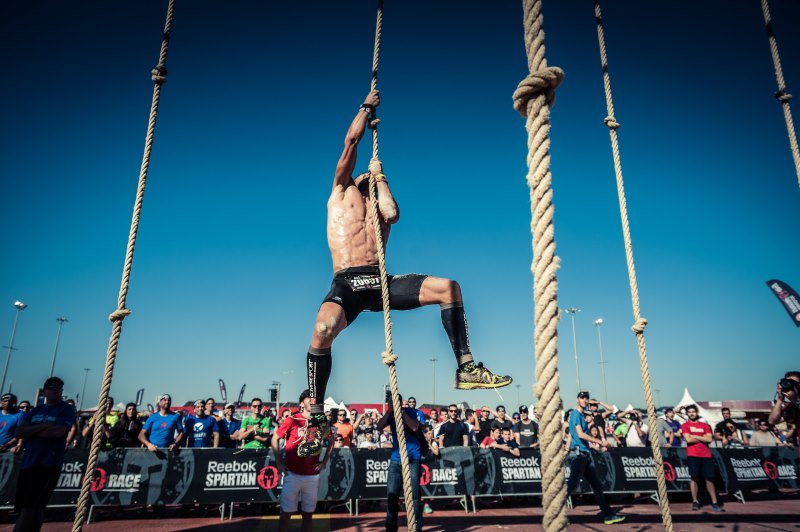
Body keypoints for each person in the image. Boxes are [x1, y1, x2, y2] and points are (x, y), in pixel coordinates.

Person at [298, 90, 512, 457]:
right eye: (363, 172)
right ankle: (316, 416)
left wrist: (381, 179)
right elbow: (351, 140)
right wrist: (366, 108)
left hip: (378, 279)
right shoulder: (339, 189)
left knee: (449, 288)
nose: (365, 172)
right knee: (322, 330)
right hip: (347, 281)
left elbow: (393, 213)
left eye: (370, 173)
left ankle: (466, 367)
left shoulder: (378, 211)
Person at [12, 377, 76, 532]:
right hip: (29, 463)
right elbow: (19, 432)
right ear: (45, 390)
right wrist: (43, 427)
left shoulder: (65, 409)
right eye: (52, 387)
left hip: (48, 463)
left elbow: (58, 432)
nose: (56, 390)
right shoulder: (35, 411)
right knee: (28, 507)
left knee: (33, 507)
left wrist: (32, 431)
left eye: (59, 388)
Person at [272, 390, 334, 532]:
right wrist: (279, 463)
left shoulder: (320, 422)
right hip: (292, 474)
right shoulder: (292, 420)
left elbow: (331, 441)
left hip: (312, 476)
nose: (312, 401)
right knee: (286, 514)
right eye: (308, 398)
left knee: (308, 515)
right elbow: (274, 438)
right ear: (301, 403)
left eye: (313, 398)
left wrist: (324, 462)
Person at [566, 391, 626, 525]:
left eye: (586, 398)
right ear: (577, 400)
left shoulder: (582, 416)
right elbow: (580, 435)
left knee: (596, 487)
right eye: (582, 398)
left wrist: (589, 423)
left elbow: (577, 434)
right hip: (579, 455)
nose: (585, 400)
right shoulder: (575, 414)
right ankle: (553, 512)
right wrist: (600, 442)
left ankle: (608, 515)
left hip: (585, 455)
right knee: (571, 486)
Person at [377, 396, 423, 532]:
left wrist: (401, 411)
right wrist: (389, 411)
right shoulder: (390, 415)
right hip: (396, 459)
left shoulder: (411, 411)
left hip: (412, 458)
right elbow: (379, 427)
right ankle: (390, 528)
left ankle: (417, 527)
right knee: (392, 495)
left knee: (414, 496)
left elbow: (415, 427)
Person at [681, 404, 724, 512]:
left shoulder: (705, 426)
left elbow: (709, 439)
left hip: (706, 455)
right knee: (694, 478)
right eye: (689, 412)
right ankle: (695, 501)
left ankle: (714, 502)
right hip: (692, 455)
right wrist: (702, 438)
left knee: (709, 479)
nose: (691, 413)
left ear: (697, 413)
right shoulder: (685, 425)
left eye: (693, 411)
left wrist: (694, 436)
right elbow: (688, 440)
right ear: (687, 414)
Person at [768, 371, 800, 447]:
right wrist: (780, 399)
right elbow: (772, 421)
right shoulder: (792, 406)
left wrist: (796, 400)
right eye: (787, 382)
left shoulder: (795, 403)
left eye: (792, 383)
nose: (789, 385)